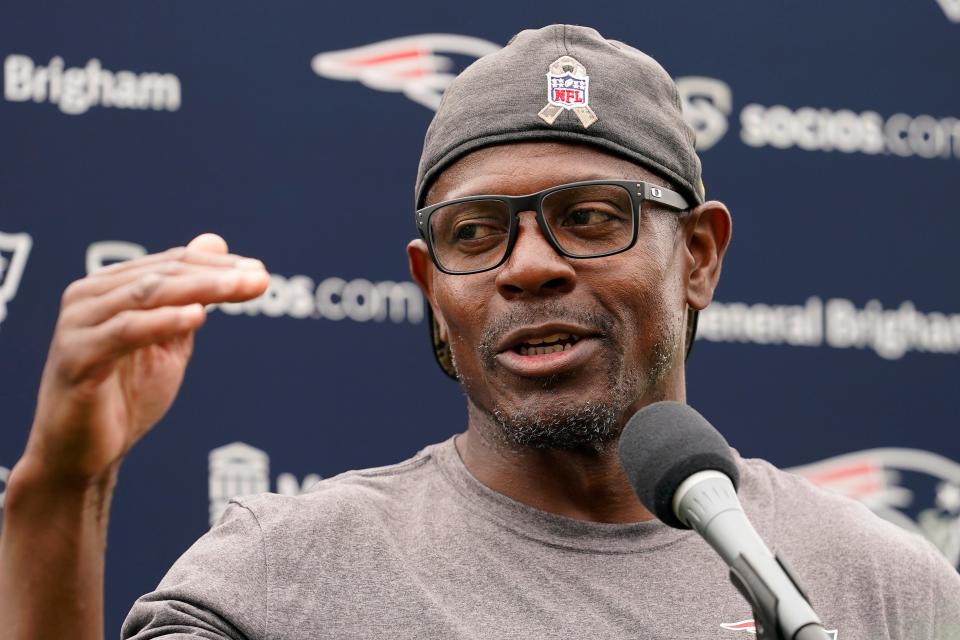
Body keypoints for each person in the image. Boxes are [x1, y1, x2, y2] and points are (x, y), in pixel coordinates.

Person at [1, 24, 958, 640]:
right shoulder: (287, 577)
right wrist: (61, 491)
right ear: (432, 287)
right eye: (476, 233)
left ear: (700, 257)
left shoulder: (883, 588)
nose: (528, 264)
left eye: (589, 217)